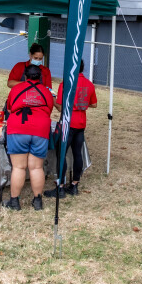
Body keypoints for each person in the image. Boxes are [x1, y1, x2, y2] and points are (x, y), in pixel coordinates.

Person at [3, 64, 54, 211]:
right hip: (40, 128)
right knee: (36, 167)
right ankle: (37, 201)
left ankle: (14, 202)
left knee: (19, 167)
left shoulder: (16, 89)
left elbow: (10, 108)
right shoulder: (46, 92)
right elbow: (49, 109)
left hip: (18, 127)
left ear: (25, 76)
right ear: (40, 77)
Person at [46, 60, 96, 198]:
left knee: (61, 153)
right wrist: (81, 104)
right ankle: (74, 185)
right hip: (81, 123)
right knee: (77, 153)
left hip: (68, 123)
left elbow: (60, 107)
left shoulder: (65, 84)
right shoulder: (89, 84)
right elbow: (94, 104)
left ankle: (60, 186)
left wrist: (53, 98)